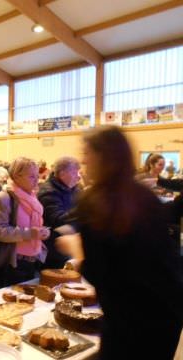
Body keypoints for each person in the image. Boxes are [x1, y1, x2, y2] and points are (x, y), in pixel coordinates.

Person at [57, 126, 183, 360]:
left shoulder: (97, 202)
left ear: (104, 157)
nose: (83, 160)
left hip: (129, 318)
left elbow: (100, 273)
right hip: (167, 314)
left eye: (87, 153)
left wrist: (75, 248)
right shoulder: (141, 195)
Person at [0, 157, 50, 288]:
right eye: (31, 176)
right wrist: (29, 233)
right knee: (10, 304)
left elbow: (32, 226)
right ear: (17, 176)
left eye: (37, 175)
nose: (37, 179)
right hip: (11, 263)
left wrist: (42, 232)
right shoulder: (3, 198)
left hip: (32, 259)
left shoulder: (32, 196)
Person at [37, 156, 80, 269]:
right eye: (75, 172)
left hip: (69, 244)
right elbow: (57, 219)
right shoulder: (48, 192)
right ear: (62, 174)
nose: (78, 176)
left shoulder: (74, 189)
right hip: (53, 249)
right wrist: (83, 209)